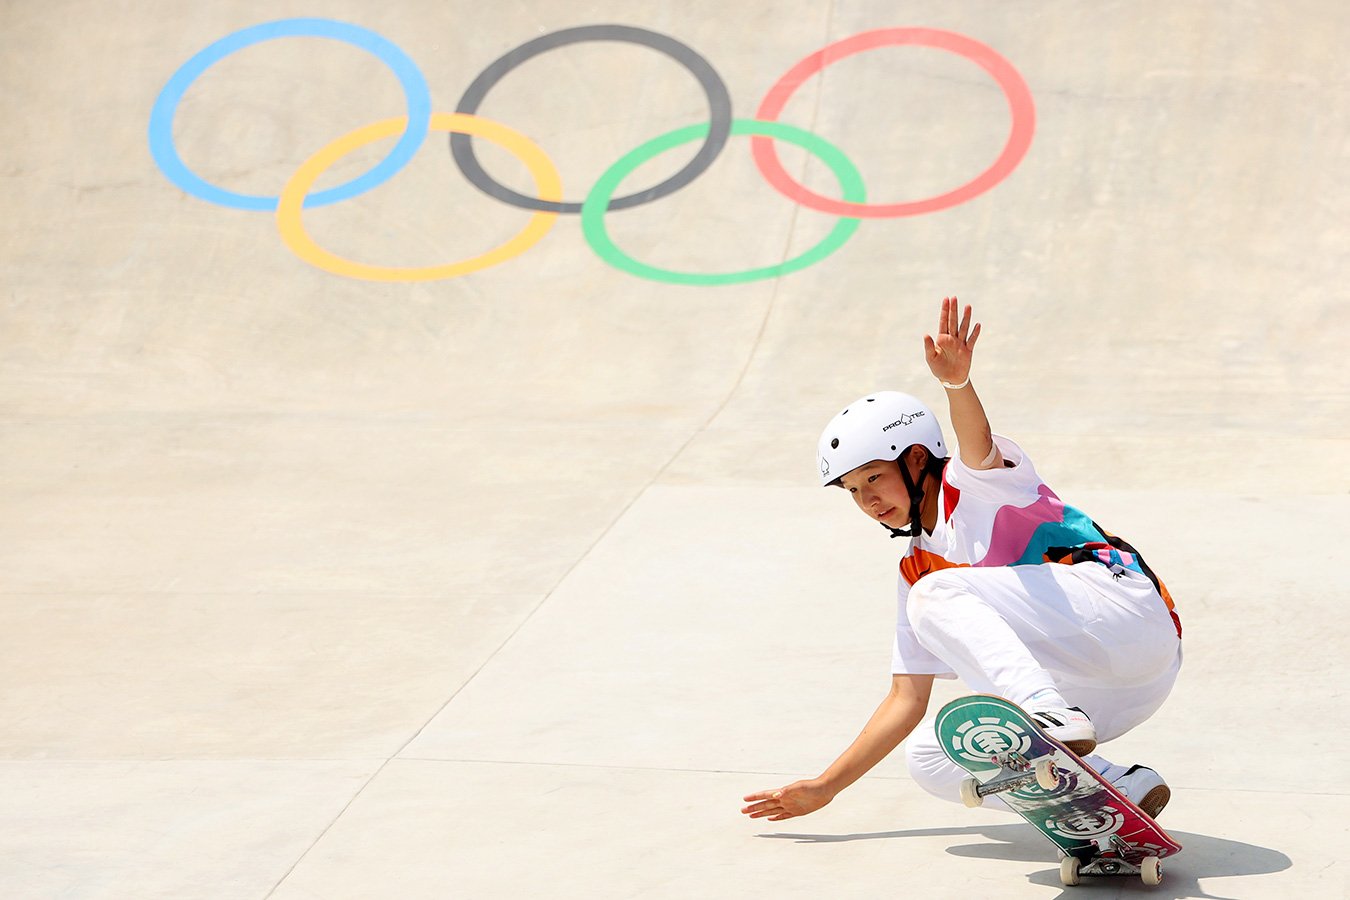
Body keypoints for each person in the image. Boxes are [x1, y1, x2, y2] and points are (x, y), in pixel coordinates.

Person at [741, 297, 1182, 824]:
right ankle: (1115, 786)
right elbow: (906, 698)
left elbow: (977, 445)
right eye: (854, 490)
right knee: (933, 757)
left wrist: (957, 384)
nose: (868, 500)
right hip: (1111, 691)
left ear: (917, 458)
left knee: (936, 593)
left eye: (874, 477)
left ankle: (1047, 715)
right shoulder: (915, 568)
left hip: (1127, 617)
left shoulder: (972, 485)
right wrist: (825, 788)